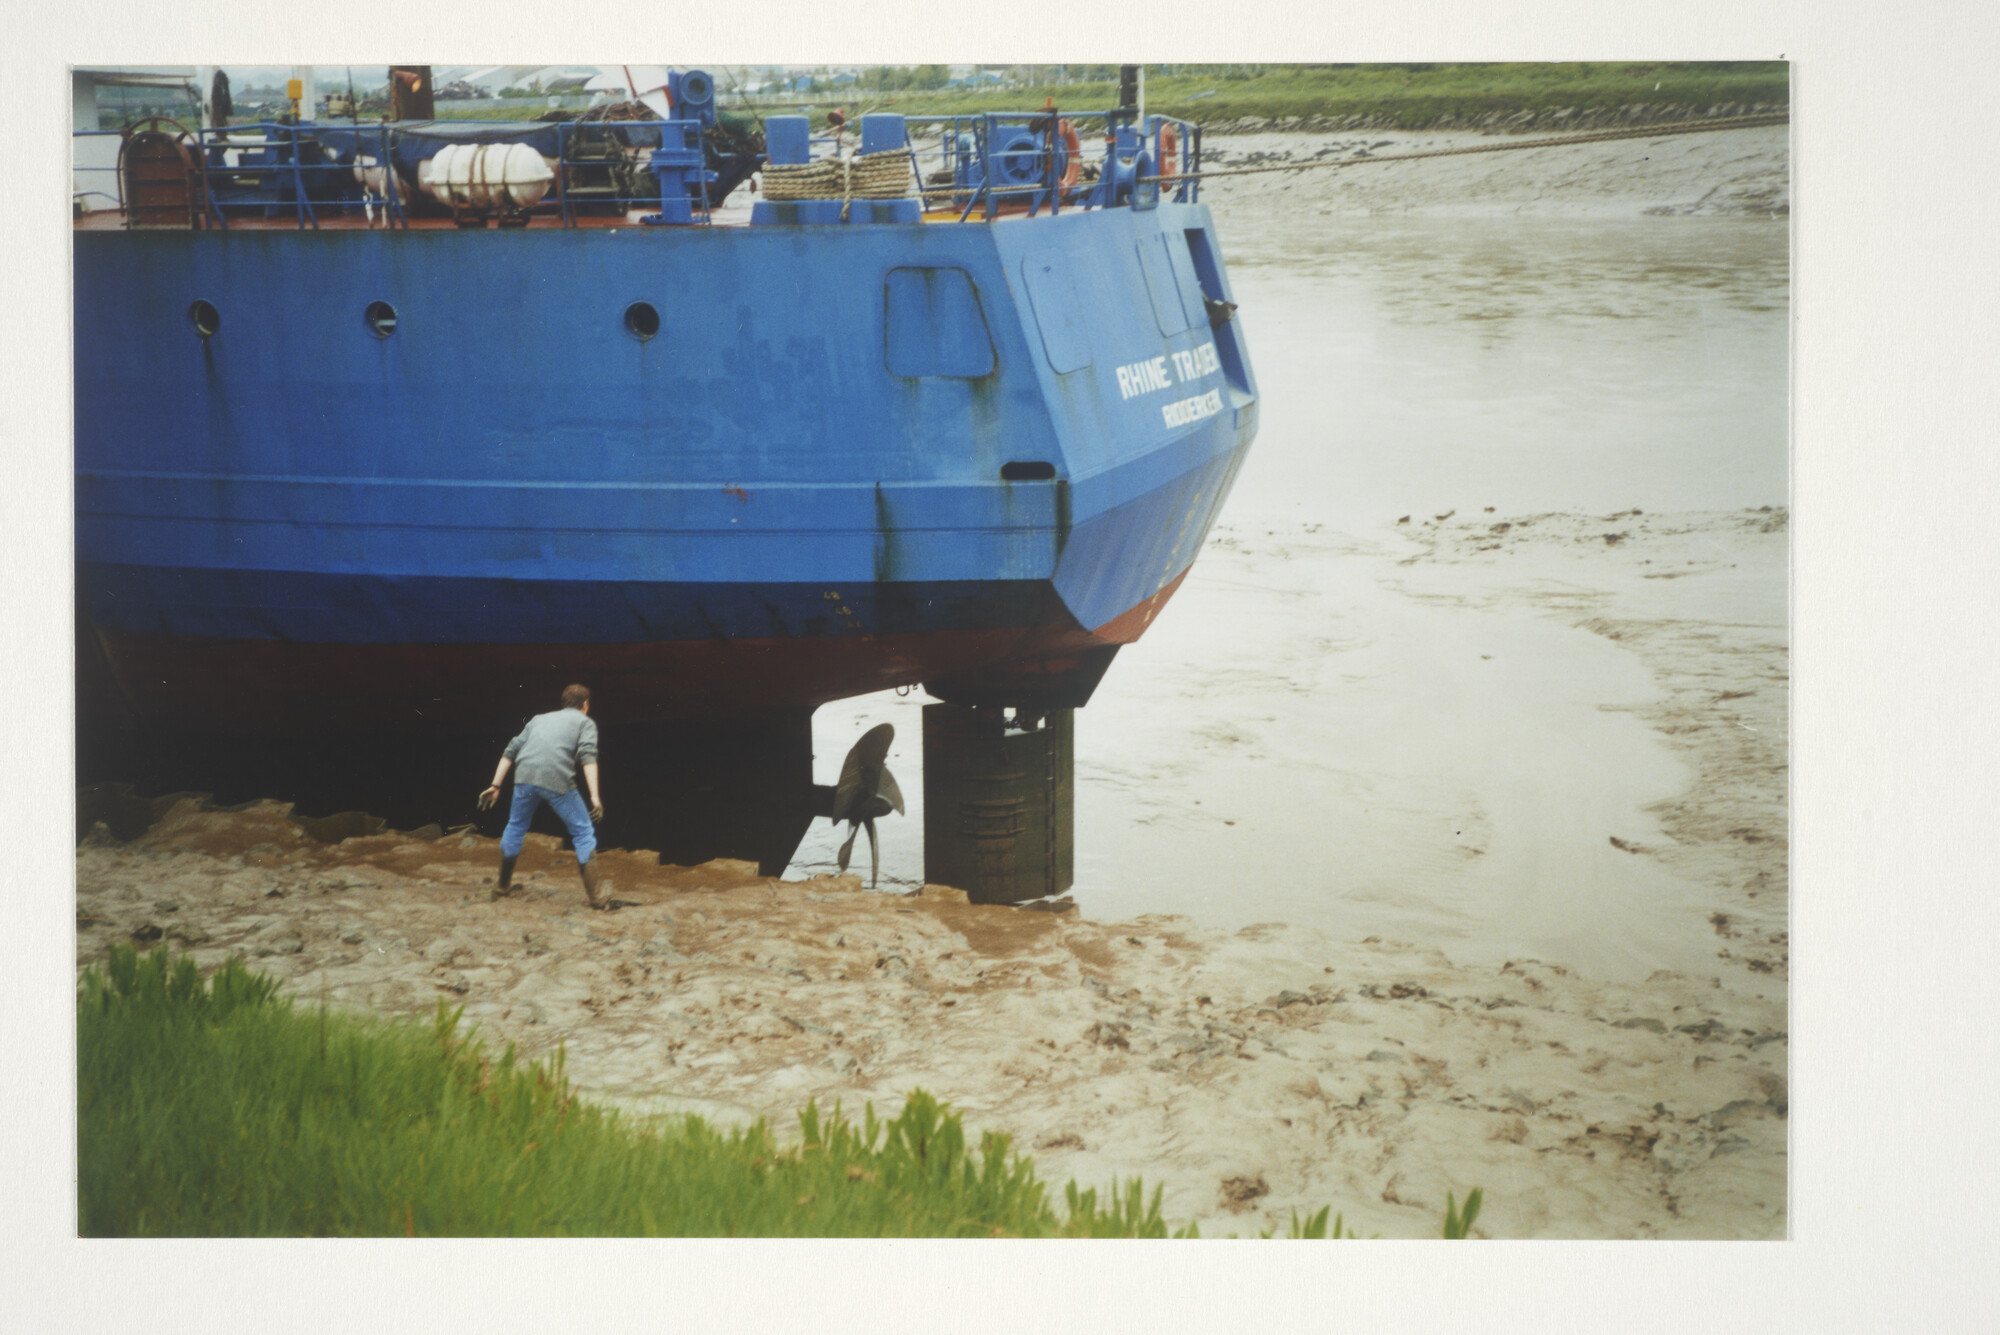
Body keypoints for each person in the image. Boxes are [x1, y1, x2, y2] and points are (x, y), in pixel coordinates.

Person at [478, 683, 607, 908]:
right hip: (556, 780)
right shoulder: (585, 723)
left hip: (524, 777)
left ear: (563, 703)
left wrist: (495, 785)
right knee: (583, 831)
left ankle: (503, 885)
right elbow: (587, 757)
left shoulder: (539, 719)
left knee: (516, 825)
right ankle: (596, 897)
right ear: (585, 705)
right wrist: (595, 796)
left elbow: (511, 749)